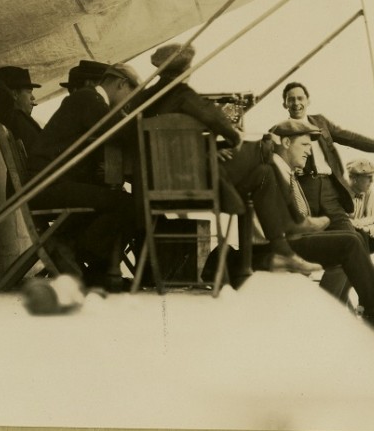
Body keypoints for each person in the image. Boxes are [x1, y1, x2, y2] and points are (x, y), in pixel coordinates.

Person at [136, 43, 327, 276]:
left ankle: (283, 252)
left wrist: (207, 151)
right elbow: (226, 128)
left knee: (264, 173)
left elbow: (168, 143)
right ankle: (295, 221)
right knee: (265, 148)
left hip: (155, 186)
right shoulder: (183, 95)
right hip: (193, 185)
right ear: (186, 69)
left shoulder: (144, 99)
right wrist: (231, 140)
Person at [267, 118, 374, 327]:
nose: (309, 153)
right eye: (305, 145)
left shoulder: (285, 170)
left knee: (354, 237)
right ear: (285, 143)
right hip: (286, 243)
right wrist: (320, 222)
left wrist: (318, 222)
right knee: (350, 242)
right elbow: (280, 220)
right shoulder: (272, 170)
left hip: (295, 235)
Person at [27, 63, 142, 290]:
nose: (129, 101)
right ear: (120, 83)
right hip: (50, 186)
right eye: (131, 93)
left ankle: (93, 266)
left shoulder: (88, 100)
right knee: (129, 204)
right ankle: (76, 249)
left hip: (53, 183)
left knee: (117, 199)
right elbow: (119, 131)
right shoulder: (87, 99)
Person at [281, 81, 374, 232]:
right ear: (285, 104)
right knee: (312, 238)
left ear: (308, 101)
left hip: (330, 189)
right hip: (304, 189)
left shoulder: (320, 121)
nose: (296, 103)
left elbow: (348, 137)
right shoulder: (280, 131)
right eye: (291, 99)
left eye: (300, 98)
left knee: (350, 234)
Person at [0, 65, 43, 157]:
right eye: (29, 92)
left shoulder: (11, 118)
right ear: (15, 94)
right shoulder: (17, 119)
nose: (33, 97)